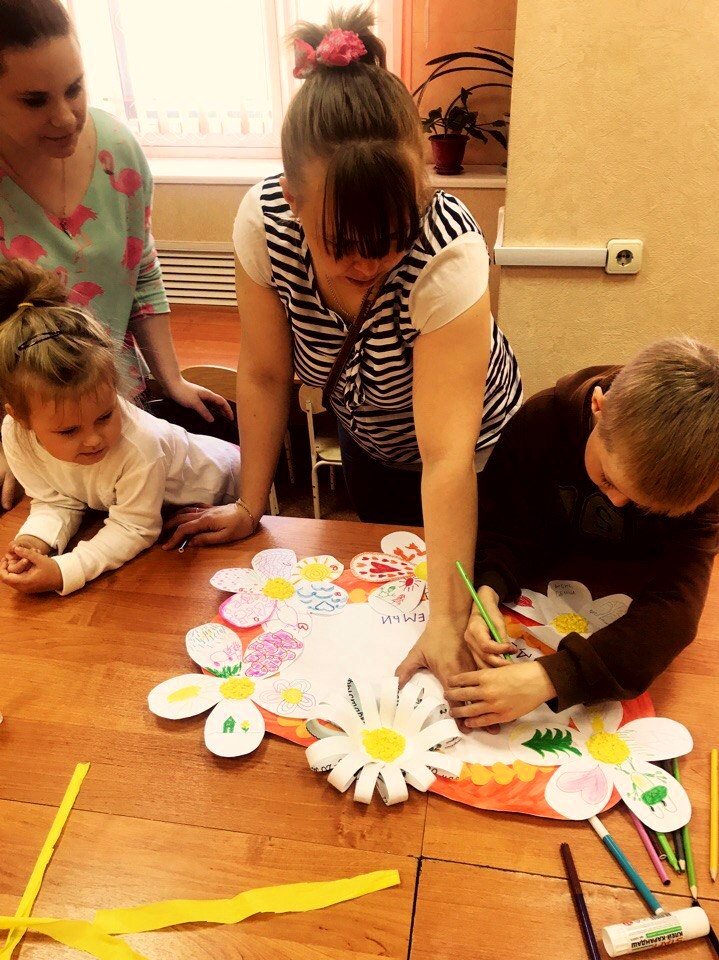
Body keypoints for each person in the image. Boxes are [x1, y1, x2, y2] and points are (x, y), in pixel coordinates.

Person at [164, 6, 523, 688]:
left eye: (390, 239)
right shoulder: (264, 223)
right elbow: (264, 374)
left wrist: (447, 617)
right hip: (372, 436)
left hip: (477, 456)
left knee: (474, 608)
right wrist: (250, 505)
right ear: (293, 201)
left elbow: (447, 456)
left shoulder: (448, 251)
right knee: (389, 582)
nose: (369, 264)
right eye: (342, 245)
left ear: (418, 193)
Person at [0, 0, 231, 511]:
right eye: (34, 100)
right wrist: (16, 435)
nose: (65, 117)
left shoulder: (117, 148)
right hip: (27, 423)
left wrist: (171, 379)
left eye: (75, 88)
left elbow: (141, 269)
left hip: (114, 405)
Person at [444, 337, 719, 727]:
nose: (617, 503)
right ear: (598, 407)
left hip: (621, 618)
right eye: (608, 478)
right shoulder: (542, 421)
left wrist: (552, 677)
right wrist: (486, 589)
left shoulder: (703, 481)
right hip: (534, 592)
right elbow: (502, 523)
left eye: (645, 505)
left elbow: (675, 610)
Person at [0, 259, 242, 596]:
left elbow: (134, 527)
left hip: (227, 485)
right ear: (21, 419)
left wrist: (65, 571)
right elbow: (57, 500)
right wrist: (34, 541)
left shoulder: (141, 444)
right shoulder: (15, 435)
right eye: (69, 431)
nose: (93, 439)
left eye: (105, 416)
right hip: (156, 507)